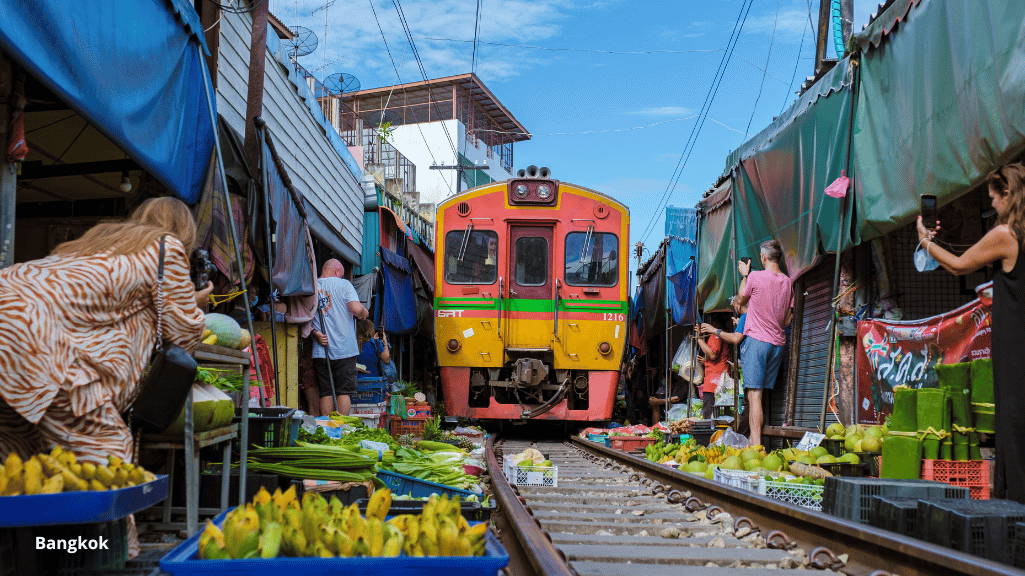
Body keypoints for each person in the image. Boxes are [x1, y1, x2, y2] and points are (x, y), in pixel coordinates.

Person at [0, 196, 212, 557]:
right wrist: (199, 304)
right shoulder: (166, 247)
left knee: (17, 458)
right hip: (34, 341)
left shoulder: (100, 238)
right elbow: (183, 332)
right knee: (106, 456)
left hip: (11, 321)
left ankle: (24, 553)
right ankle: (108, 556)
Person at [916, 162, 1025, 503]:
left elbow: (960, 265)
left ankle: (1016, 510)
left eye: (994, 197)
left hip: (1014, 340)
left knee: (1013, 421)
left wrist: (925, 241)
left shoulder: (1007, 235)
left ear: (1008, 193)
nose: (992, 204)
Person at [732, 240, 793, 447]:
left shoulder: (755, 277)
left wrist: (744, 275)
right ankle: (755, 439)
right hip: (778, 344)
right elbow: (787, 321)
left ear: (764, 258)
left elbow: (740, 301)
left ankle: (756, 444)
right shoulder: (787, 282)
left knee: (754, 395)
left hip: (757, 342)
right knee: (761, 394)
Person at [310, 259, 369, 416]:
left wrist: (315, 333)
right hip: (344, 349)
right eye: (341, 275)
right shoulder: (344, 285)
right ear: (337, 271)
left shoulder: (312, 286)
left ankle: (327, 430)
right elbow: (355, 308)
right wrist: (364, 312)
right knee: (343, 392)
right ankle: (341, 431)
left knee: (326, 392)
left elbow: (303, 315)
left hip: (321, 350)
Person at [695, 317, 729, 419]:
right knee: (720, 416)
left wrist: (699, 339)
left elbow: (712, 355)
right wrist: (705, 362)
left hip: (714, 382)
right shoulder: (723, 334)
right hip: (719, 379)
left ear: (714, 323)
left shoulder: (716, 336)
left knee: (709, 416)